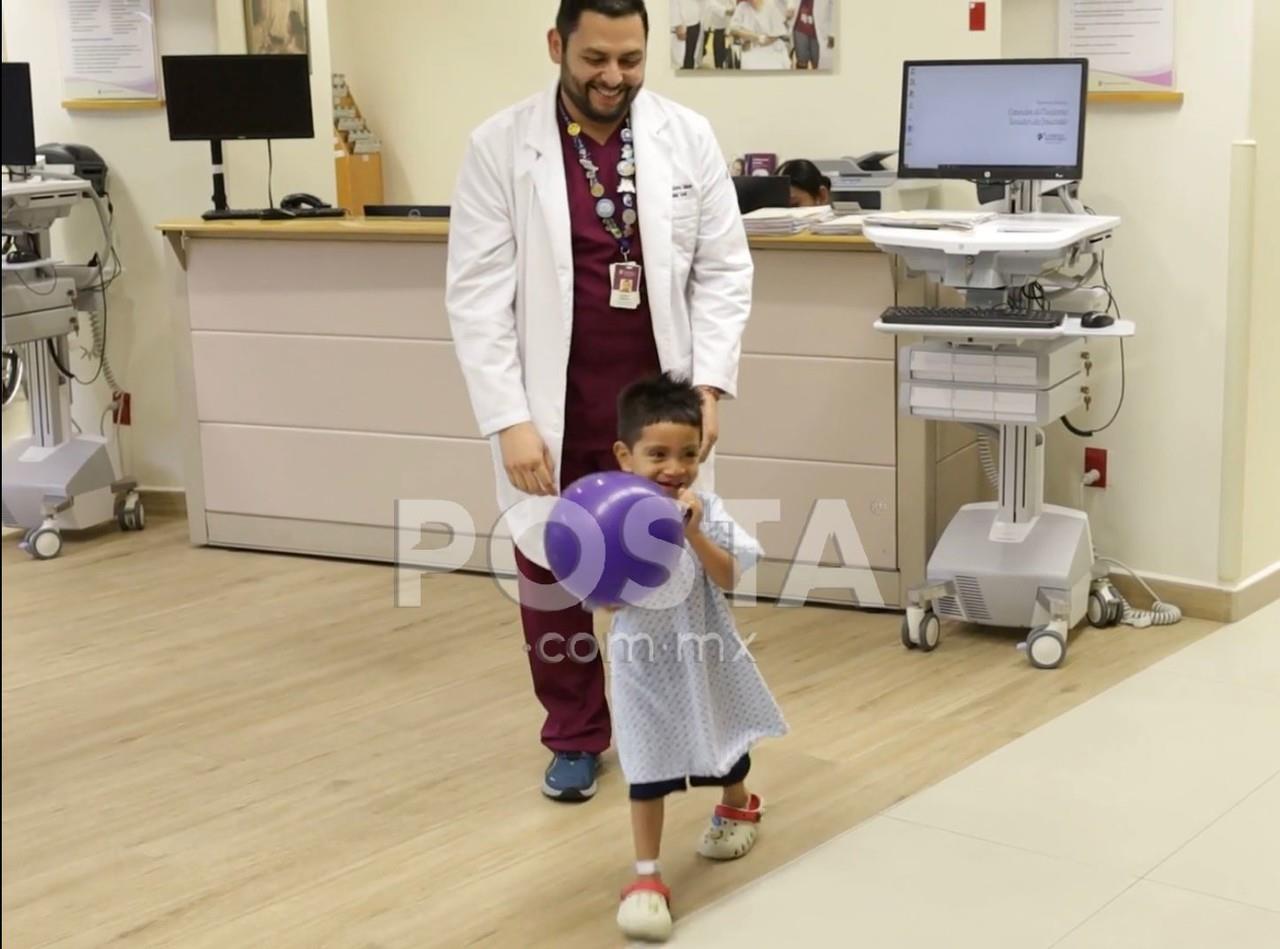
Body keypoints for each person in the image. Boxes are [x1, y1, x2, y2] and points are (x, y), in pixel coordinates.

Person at [446, 0, 753, 804]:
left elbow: (725, 269)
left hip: (657, 418)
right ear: (557, 45)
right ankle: (576, 735)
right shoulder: (499, 147)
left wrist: (711, 386)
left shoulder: (686, 137)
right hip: (554, 409)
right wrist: (509, 418)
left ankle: (681, 731)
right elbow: (475, 294)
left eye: (630, 59)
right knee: (552, 583)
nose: (613, 77)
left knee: (671, 582)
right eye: (595, 60)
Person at [606, 373, 787, 943]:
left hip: (703, 652)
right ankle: (645, 877)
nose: (674, 468)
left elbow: (731, 576)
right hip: (640, 663)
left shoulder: (704, 509)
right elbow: (598, 592)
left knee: (721, 741)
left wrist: (693, 535)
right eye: (657, 454)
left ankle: (738, 802)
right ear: (625, 455)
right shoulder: (610, 514)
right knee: (645, 766)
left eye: (687, 454)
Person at [729, 0, 791, 71]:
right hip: (750, 50)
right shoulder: (742, 7)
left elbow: (774, 36)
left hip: (771, 50)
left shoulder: (772, 5)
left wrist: (747, 35)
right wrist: (755, 37)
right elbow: (733, 29)